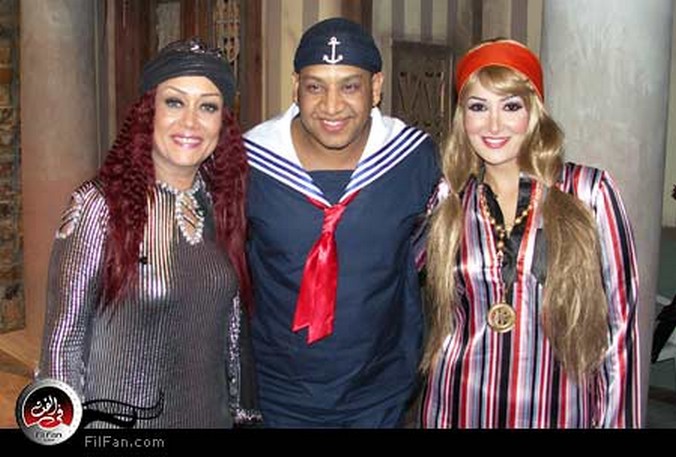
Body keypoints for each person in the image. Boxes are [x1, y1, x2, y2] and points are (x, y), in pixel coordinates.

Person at [38, 38, 260, 428]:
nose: (190, 122)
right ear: (147, 112)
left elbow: (230, 335)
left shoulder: (222, 206)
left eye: (207, 107)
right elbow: (62, 345)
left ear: (223, 122)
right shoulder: (100, 206)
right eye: (174, 102)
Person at [420, 39, 640, 428]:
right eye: (478, 107)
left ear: (534, 112)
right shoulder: (448, 199)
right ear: (462, 116)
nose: (493, 125)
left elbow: (620, 328)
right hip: (458, 406)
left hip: (559, 411)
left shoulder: (587, 192)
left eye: (510, 107)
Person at [244, 17, 441, 427]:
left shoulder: (413, 159)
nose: (331, 106)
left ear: (376, 87)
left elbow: (434, 254)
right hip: (275, 393)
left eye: (350, 86)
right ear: (296, 87)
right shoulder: (250, 163)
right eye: (315, 87)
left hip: (379, 393)